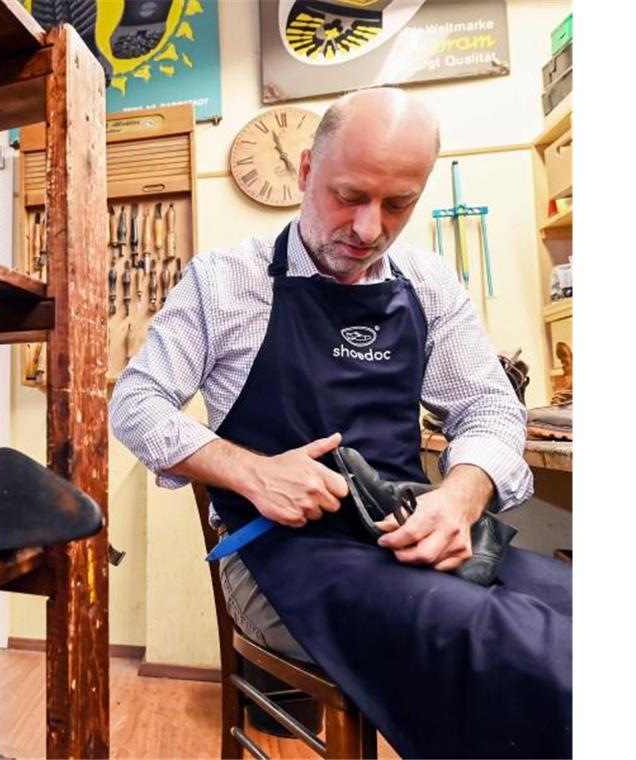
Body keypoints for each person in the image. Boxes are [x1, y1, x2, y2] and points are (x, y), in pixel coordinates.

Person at [109, 87, 572, 758]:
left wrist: (461, 494)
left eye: (397, 205)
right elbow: (137, 401)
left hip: (410, 532)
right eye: (349, 196)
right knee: (519, 654)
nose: (367, 229)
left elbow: (490, 407)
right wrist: (253, 472)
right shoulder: (227, 282)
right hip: (280, 555)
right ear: (305, 172)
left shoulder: (429, 283)